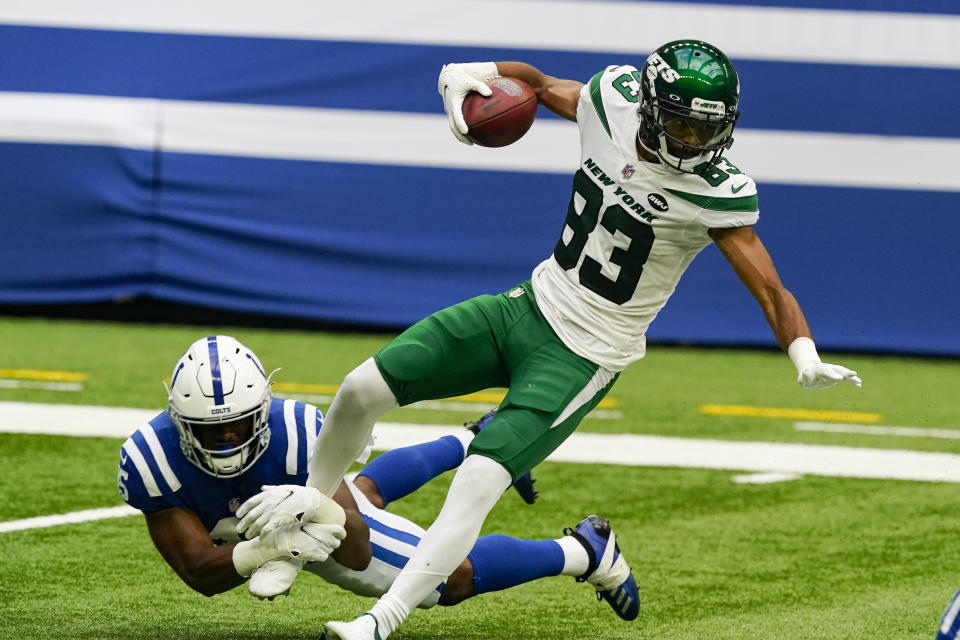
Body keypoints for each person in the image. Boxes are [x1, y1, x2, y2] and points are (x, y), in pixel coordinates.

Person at [248, 39, 863, 640]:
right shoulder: (614, 102)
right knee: (360, 389)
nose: (695, 142)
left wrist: (802, 353)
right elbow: (537, 87)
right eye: (682, 125)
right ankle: (298, 528)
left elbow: (771, 290)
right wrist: (471, 72)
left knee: (478, 482)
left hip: (585, 356)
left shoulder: (718, 191)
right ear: (647, 106)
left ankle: (379, 624)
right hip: (529, 305)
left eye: (708, 128)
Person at [116, 335, 638, 618]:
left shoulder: (296, 430)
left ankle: (586, 551)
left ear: (263, 412)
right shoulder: (152, 458)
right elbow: (198, 572)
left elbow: (357, 549)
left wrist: (318, 513)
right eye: (212, 432)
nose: (228, 440)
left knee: (445, 580)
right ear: (180, 423)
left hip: (327, 532)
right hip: (277, 540)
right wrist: (274, 548)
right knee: (364, 492)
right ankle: (469, 438)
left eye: (238, 426)